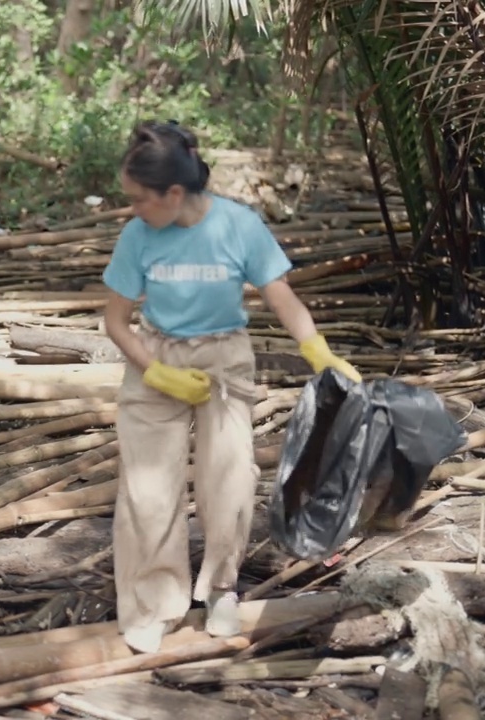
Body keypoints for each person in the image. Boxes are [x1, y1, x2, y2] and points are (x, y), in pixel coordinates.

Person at [101, 120, 361, 654]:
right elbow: (116, 322)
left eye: (138, 198)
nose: (131, 209)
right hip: (156, 356)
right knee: (148, 492)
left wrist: (318, 349)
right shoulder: (137, 236)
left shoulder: (238, 226)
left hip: (224, 358)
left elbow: (279, 293)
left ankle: (221, 589)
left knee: (230, 482)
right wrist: (156, 371)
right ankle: (155, 604)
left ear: (174, 193)